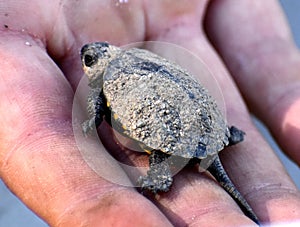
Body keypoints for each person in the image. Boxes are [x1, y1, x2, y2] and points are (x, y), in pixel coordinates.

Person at [0, 0, 299, 226]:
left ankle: (161, 177)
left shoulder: (106, 80)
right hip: (207, 124)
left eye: (89, 60)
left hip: (170, 132)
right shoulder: (135, 55)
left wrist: (92, 120)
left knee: (159, 148)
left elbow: (99, 110)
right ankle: (225, 135)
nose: (87, 61)